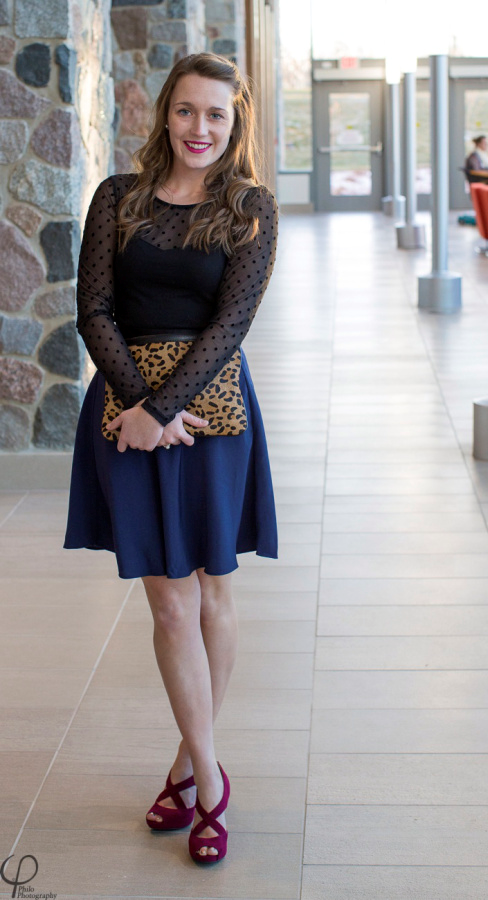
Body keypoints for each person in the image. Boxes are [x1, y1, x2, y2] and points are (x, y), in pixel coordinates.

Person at [63, 52, 278, 865]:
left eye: (216, 115)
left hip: (212, 408)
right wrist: (136, 405)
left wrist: (164, 408)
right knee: (167, 601)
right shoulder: (116, 197)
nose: (199, 128)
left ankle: (194, 767)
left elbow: (233, 321)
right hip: (126, 410)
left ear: (235, 122)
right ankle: (212, 775)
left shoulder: (252, 207)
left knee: (213, 586)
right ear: (165, 114)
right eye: (187, 111)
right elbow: (93, 308)